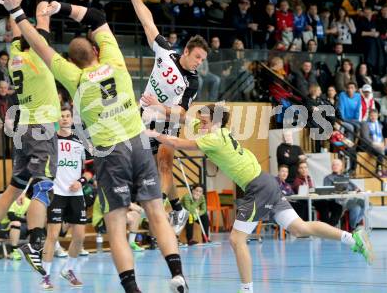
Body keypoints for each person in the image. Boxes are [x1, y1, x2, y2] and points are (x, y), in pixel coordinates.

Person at [0, 0, 188, 293]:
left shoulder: (73, 77)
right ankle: (177, 274)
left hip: (110, 152)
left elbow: (38, 44)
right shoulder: (115, 60)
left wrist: (18, 10)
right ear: (97, 51)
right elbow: (97, 16)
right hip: (138, 143)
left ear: (73, 61)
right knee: (156, 210)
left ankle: (132, 288)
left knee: (115, 221)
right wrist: (59, 7)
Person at [149, 104, 374, 293]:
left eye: (203, 117)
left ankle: (247, 289)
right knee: (299, 228)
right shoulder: (219, 131)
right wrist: (161, 109)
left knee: (237, 239)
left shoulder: (214, 138)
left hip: (258, 187)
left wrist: (149, 132)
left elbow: (176, 143)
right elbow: (186, 119)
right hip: (266, 182)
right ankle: (352, 238)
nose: (199, 121)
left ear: (214, 120)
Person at [0, 0, 60, 272]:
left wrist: (14, 5)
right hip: (42, 127)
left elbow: (20, 27)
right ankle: (35, 243)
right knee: (43, 186)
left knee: (14, 187)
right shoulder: (38, 54)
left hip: (23, 128)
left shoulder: (15, 54)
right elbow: (43, 19)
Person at [124, 0, 208, 237]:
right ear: (185, 52)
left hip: (168, 123)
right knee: (136, 164)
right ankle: (176, 205)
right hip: (143, 116)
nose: (199, 62)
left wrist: (160, 108)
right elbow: (147, 20)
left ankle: (159, 212)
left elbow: (182, 115)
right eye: (197, 57)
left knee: (164, 166)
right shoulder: (166, 52)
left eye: (202, 59)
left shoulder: (192, 82)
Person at [40, 106, 86, 289]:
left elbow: (90, 169)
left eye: (68, 116)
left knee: (80, 237)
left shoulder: (81, 141)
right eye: (62, 116)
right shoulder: (51, 140)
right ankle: (46, 276)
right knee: (52, 236)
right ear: (57, 120)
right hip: (57, 192)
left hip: (76, 193)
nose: (65, 119)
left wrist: (81, 181)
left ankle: (68, 270)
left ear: (72, 120)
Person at [292, 162, 343, 226]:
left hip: (315, 199)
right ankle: (326, 227)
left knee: (337, 207)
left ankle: (331, 226)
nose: (304, 169)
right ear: (298, 170)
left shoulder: (309, 178)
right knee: (324, 204)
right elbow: (302, 194)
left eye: (305, 167)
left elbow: (313, 190)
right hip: (307, 202)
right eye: (301, 168)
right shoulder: (297, 181)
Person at [324, 159, 364, 230]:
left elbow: (355, 188)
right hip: (339, 201)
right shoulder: (328, 178)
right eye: (333, 165)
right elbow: (327, 191)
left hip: (350, 199)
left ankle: (355, 224)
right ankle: (353, 227)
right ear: (331, 167)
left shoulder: (345, 177)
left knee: (367, 204)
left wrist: (356, 190)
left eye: (337, 165)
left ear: (341, 167)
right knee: (356, 207)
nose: (335, 166)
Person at [0, 195, 30, 260]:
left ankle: (36, 249)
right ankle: (14, 251)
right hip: (4, 227)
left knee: (35, 224)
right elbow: (12, 217)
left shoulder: (28, 202)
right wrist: (27, 220)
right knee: (16, 223)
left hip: (20, 226)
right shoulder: (9, 200)